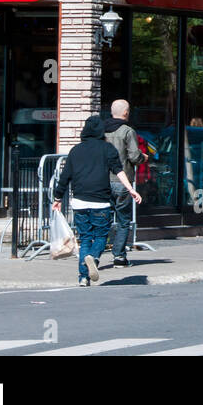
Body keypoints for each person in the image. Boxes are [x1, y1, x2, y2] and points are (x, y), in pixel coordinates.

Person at [53, 115, 142, 287]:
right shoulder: (107, 149)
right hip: (100, 201)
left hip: (79, 201)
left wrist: (57, 198)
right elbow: (119, 171)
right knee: (101, 236)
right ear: (101, 131)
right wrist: (131, 189)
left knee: (85, 238)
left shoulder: (75, 151)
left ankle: (83, 277)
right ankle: (93, 257)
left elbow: (64, 177)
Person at [102, 99, 146, 267]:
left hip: (103, 181)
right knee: (123, 220)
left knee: (102, 219)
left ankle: (95, 254)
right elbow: (134, 156)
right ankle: (119, 256)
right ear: (126, 113)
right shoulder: (127, 131)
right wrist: (144, 157)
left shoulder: (101, 130)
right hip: (123, 181)